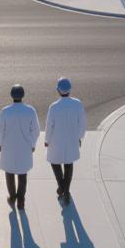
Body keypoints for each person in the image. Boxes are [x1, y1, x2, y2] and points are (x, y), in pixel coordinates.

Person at [0, 84, 40, 211]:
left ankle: (12, 197)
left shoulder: (5, 111)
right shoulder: (30, 110)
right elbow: (36, 130)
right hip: (24, 147)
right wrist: (32, 144)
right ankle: (21, 201)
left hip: (8, 147)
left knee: (9, 173)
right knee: (22, 174)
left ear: (11, 95)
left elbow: (0, 130)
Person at [45, 77, 86, 206]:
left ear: (58, 90)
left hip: (56, 140)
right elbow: (82, 123)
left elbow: (49, 125)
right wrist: (79, 137)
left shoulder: (54, 107)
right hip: (72, 139)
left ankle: (62, 187)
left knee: (54, 162)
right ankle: (66, 190)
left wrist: (47, 140)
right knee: (69, 164)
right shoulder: (77, 104)